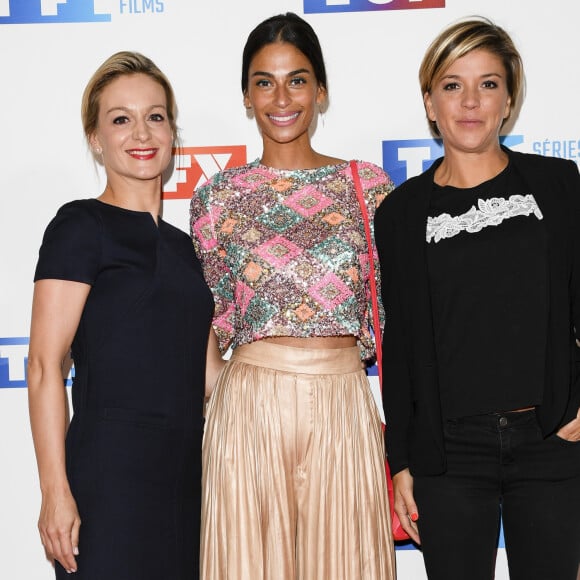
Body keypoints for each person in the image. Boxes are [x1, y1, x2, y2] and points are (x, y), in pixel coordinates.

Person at [190, 12, 396, 580]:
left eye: (297, 79)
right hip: (248, 409)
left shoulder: (370, 187)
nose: (281, 97)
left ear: (321, 91)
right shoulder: (217, 197)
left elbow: (396, 321)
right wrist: (218, 411)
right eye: (264, 81)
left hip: (342, 401)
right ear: (247, 97)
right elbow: (206, 321)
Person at [375, 16, 580, 580]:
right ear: (429, 101)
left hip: (552, 443)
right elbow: (404, 345)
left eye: (488, 83)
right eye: (452, 84)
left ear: (509, 100)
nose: (470, 102)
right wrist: (402, 463)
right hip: (449, 457)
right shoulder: (400, 212)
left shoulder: (561, 184)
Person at [27, 51, 214, 579]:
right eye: (120, 119)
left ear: (173, 132)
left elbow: (211, 377)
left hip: (186, 482)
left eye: (155, 116)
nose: (142, 132)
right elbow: (44, 365)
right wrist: (55, 493)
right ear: (95, 138)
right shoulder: (80, 226)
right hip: (108, 483)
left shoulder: (186, 248)